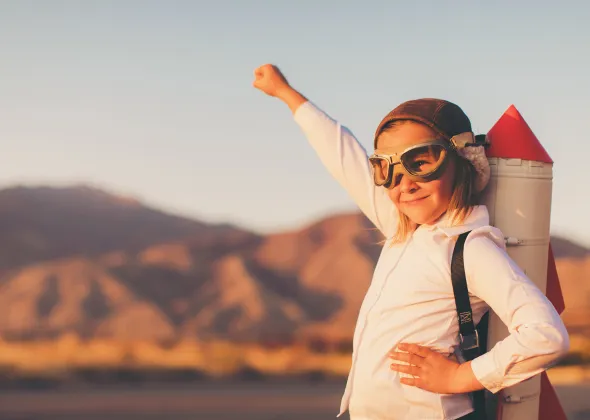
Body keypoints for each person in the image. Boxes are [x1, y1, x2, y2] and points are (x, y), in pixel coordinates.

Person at [252, 64, 569, 420]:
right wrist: (285, 93)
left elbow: (546, 336)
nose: (405, 184)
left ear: (463, 161)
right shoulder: (404, 230)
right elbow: (343, 156)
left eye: (421, 162)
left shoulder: (468, 247)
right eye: (387, 170)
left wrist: (459, 377)